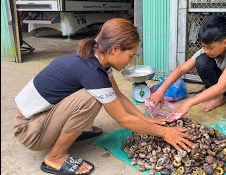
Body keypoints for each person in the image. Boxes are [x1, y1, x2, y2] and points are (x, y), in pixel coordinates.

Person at [14, 18, 194, 175]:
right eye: (130, 56)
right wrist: (165, 133)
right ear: (116, 49)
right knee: (91, 99)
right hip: (29, 130)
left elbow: (117, 95)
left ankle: (70, 131)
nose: (129, 62)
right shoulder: (92, 72)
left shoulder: (97, 59)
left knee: (102, 94)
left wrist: (145, 120)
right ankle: (55, 157)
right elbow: (123, 119)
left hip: (42, 117)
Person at [149, 14, 226, 121]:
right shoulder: (208, 49)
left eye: (209, 47)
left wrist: (188, 103)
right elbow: (181, 69)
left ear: (225, 42)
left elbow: (221, 86)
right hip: (223, 88)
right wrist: (161, 91)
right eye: (203, 46)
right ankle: (218, 98)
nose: (206, 50)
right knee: (202, 60)